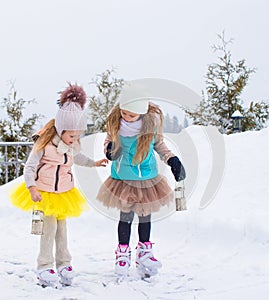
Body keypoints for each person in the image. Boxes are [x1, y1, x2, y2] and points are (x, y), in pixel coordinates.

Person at [10, 83, 108, 287]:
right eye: (71, 135)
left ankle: (64, 263)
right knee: (49, 230)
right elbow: (29, 167)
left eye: (77, 136)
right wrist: (32, 187)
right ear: (61, 129)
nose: (74, 140)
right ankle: (45, 266)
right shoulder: (44, 145)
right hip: (44, 193)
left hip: (64, 193)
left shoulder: (70, 146)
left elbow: (78, 157)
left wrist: (94, 163)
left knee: (62, 230)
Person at [96, 83, 186, 278]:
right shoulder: (115, 124)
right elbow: (107, 141)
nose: (127, 117)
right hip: (123, 178)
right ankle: (122, 252)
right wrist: (109, 150)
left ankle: (144, 250)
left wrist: (172, 160)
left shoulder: (151, 125)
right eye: (124, 113)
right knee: (126, 216)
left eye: (132, 115)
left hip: (146, 177)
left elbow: (159, 144)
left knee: (145, 216)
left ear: (141, 113)